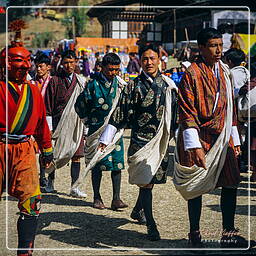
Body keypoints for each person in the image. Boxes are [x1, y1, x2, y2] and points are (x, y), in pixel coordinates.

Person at [174, 27, 249, 248]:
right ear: (202, 48)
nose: (219, 50)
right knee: (196, 185)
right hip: (199, 136)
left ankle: (228, 233)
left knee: (231, 182)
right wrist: (194, 146)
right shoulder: (192, 73)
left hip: (223, 135)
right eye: (214, 46)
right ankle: (194, 233)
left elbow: (230, 109)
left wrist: (234, 139)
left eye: (220, 45)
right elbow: (186, 111)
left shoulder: (224, 71)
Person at [99, 44, 178, 240]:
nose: (149, 62)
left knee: (149, 181)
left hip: (160, 142)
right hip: (140, 142)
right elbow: (119, 113)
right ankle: (151, 224)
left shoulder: (169, 86)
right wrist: (105, 138)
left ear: (159, 59)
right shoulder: (133, 87)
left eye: (152, 58)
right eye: (145, 59)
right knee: (146, 183)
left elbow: (176, 115)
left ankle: (137, 210)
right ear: (139, 61)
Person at [0, 45, 53, 256]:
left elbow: (41, 123)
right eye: (19, 61)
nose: (26, 65)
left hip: (25, 150)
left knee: (32, 202)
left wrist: (47, 150)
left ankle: (24, 252)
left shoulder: (33, 91)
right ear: (6, 63)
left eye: (27, 60)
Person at [75, 53, 128, 210]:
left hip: (115, 131)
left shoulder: (120, 85)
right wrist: (87, 121)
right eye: (110, 69)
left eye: (116, 70)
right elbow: (80, 105)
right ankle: (97, 197)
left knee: (117, 165)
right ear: (102, 67)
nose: (113, 73)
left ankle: (116, 198)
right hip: (96, 129)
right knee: (96, 164)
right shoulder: (92, 85)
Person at [44, 50, 87, 198]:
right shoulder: (55, 81)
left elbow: (85, 105)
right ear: (61, 64)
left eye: (71, 62)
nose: (69, 65)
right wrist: (49, 127)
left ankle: (74, 187)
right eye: (66, 62)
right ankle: (50, 183)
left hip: (76, 124)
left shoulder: (81, 81)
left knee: (76, 155)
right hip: (58, 124)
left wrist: (85, 126)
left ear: (76, 62)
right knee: (54, 154)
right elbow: (48, 105)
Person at [34, 52, 53, 190]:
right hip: (36, 120)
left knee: (50, 149)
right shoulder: (32, 83)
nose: (39, 69)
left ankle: (50, 179)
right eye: (37, 67)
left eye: (41, 66)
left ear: (48, 67)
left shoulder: (53, 82)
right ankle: (41, 177)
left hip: (50, 118)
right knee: (39, 150)